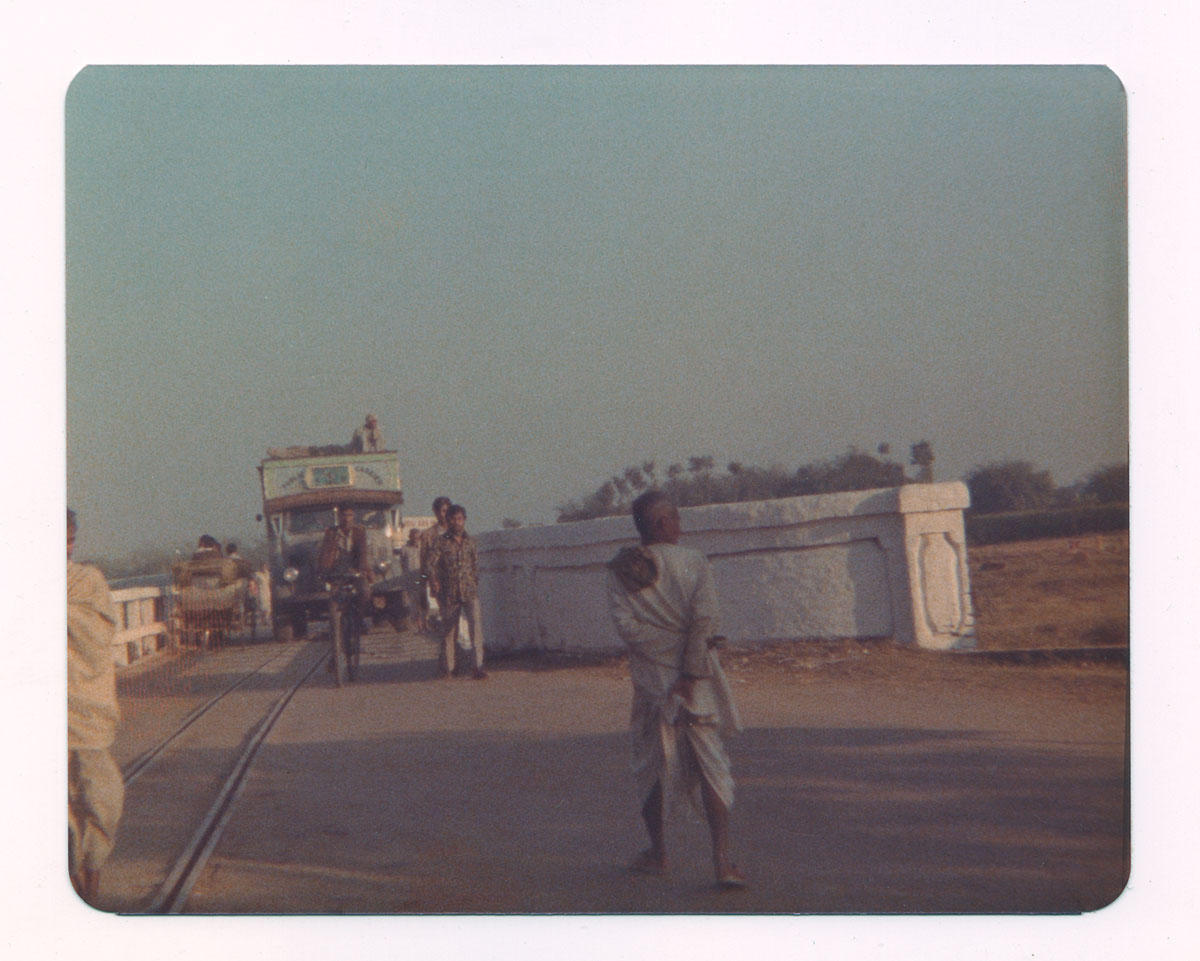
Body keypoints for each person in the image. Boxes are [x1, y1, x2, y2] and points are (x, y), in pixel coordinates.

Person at [605, 490, 746, 889]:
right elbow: (706, 621)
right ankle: (721, 862)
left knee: (649, 765)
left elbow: (627, 628)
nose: (681, 526)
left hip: (652, 682)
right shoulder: (695, 562)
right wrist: (688, 666)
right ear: (661, 524)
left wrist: (667, 660)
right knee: (711, 765)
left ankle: (658, 853)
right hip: (696, 681)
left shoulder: (620, 569)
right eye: (676, 519)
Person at [67, 509, 124, 902]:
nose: (64, 547)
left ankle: (92, 874)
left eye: (69, 539)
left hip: (85, 709)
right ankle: (73, 890)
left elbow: (97, 636)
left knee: (103, 797)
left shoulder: (87, 581)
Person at [426, 504, 487, 679]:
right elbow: (430, 564)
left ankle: (478, 666)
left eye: (459, 519)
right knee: (449, 632)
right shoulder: (440, 542)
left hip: (469, 591)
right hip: (449, 592)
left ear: (464, 520)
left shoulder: (471, 542)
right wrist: (434, 581)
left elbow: (475, 565)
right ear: (448, 521)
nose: (456, 522)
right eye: (453, 519)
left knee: (475, 627)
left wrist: (474, 582)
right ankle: (449, 669)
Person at [317, 506, 373, 625]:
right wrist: (324, 569)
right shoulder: (331, 532)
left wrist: (361, 569)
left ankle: (359, 618)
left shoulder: (360, 531)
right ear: (339, 517)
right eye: (344, 515)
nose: (347, 519)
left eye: (349, 515)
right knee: (333, 597)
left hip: (356, 568)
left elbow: (363, 552)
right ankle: (335, 626)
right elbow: (325, 552)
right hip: (336, 570)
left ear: (353, 516)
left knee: (365, 592)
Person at [419, 496, 452, 631]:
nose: (445, 514)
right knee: (445, 611)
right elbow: (424, 560)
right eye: (442, 511)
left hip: (456, 577)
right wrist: (430, 581)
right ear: (436, 513)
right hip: (438, 578)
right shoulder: (428, 534)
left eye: (447, 510)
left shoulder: (457, 530)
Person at [399, 527, 427, 632]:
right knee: (414, 603)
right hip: (410, 580)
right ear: (409, 537)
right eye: (413, 537)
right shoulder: (404, 549)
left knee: (424, 602)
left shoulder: (423, 548)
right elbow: (402, 564)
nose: (415, 539)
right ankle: (418, 625)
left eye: (417, 537)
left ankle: (425, 623)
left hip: (422, 578)